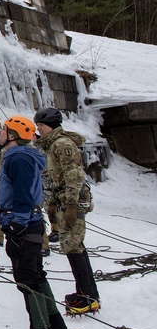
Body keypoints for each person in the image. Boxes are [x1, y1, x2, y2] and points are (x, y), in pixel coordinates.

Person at [0, 116, 70, 329]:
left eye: (3, 130)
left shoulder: (17, 157)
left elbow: (23, 192)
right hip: (32, 223)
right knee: (36, 276)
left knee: (28, 280)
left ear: (13, 135)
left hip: (24, 225)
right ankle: (57, 327)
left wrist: (17, 223)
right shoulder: (25, 155)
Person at [34, 107, 101, 315]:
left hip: (74, 199)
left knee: (73, 246)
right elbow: (57, 178)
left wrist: (71, 205)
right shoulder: (52, 144)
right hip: (65, 198)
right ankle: (86, 292)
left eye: (41, 126)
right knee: (73, 245)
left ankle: (88, 296)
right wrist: (54, 202)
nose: (38, 130)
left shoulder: (62, 144)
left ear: (51, 126)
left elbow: (74, 175)